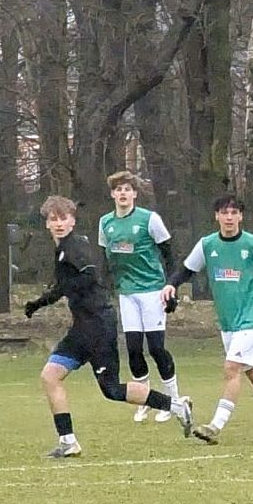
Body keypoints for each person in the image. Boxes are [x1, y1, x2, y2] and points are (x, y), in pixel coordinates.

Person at [24, 196, 193, 458]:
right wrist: (39, 303)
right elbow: (63, 287)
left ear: (72, 221)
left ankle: (175, 406)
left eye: (63, 218)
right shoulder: (62, 250)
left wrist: (58, 293)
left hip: (98, 326)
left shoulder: (75, 246)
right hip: (82, 328)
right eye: (53, 219)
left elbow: (90, 274)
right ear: (46, 223)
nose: (58, 223)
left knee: (112, 389)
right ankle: (68, 442)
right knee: (50, 376)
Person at [162, 194, 253, 445]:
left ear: (241, 217)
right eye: (225, 213)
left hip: (250, 320)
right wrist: (171, 285)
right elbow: (187, 270)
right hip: (228, 323)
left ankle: (215, 426)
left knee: (231, 368)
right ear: (217, 216)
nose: (229, 217)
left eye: (234, 213)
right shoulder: (207, 245)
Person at [98, 170, 180, 422]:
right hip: (127, 293)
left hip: (152, 290)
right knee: (133, 349)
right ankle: (144, 399)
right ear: (112, 194)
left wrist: (171, 285)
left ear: (135, 194)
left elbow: (169, 253)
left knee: (156, 348)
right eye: (118, 189)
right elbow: (104, 259)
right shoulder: (105, 223)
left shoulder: (149, 219)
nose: (123, 193)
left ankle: (173, 400)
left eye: (127, 189)